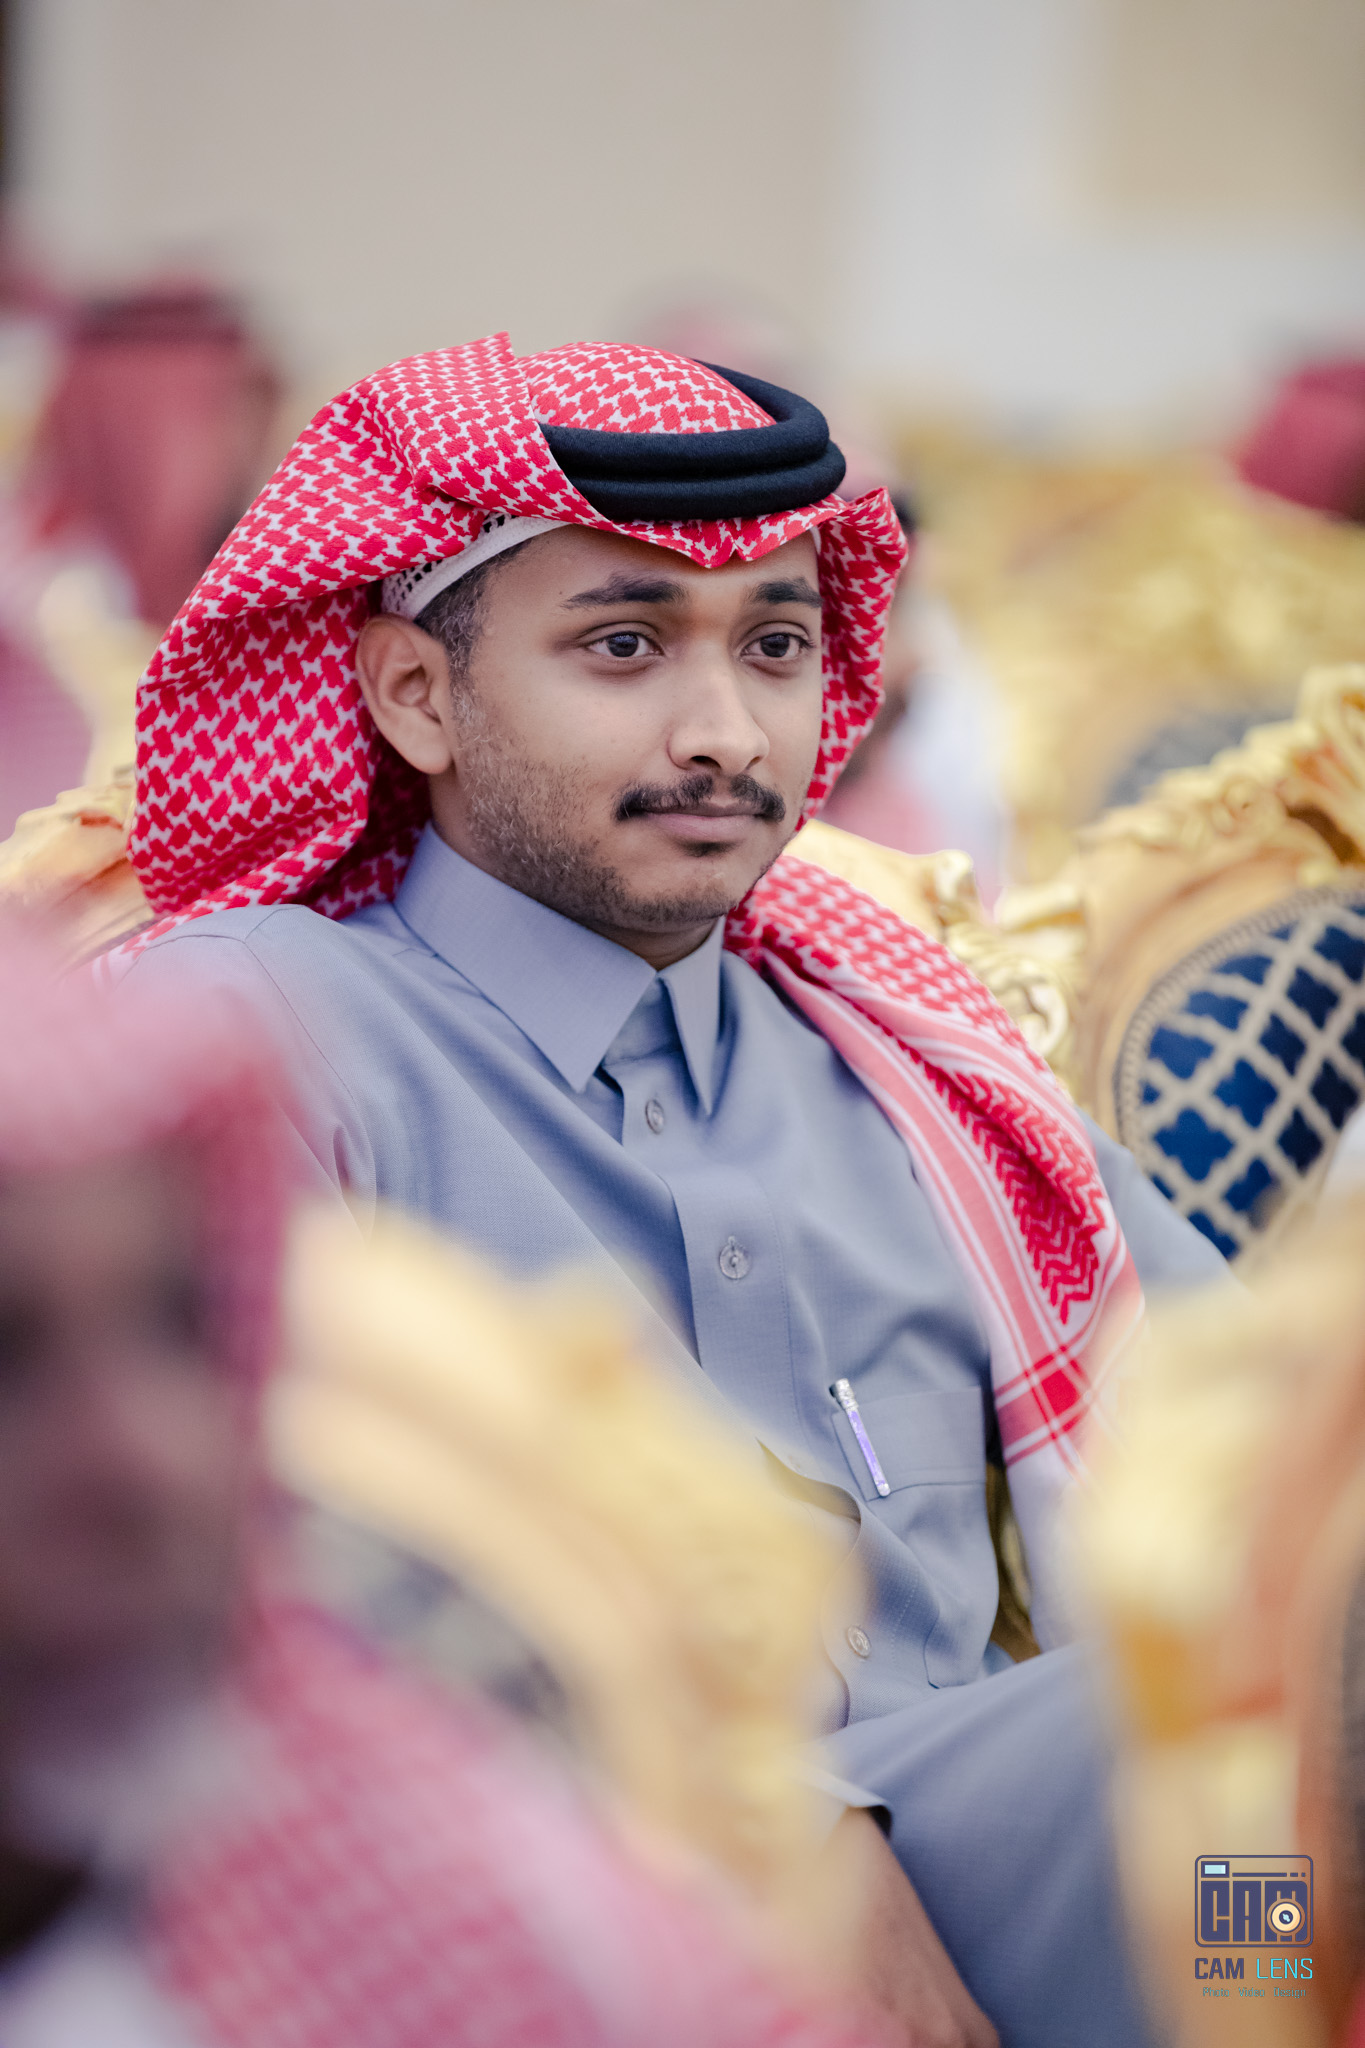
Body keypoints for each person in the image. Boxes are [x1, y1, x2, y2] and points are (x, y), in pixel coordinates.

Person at [114, 335, 1228, 2047]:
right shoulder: (263, 1032)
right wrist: (783, 1832)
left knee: (1277, 1772)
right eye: (624, 645)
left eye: (774, 646)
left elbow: (1266, 1437)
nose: (724, 733)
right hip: (530, 1904)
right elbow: (219, 1600)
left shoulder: (911, 1051)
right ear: (414, 696)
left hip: (1026, 1892)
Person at [0, 922, 889, 2048]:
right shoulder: (301, 990)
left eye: (181, 1324)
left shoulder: (456, 1911)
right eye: (7, 1359)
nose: (145, 1461)